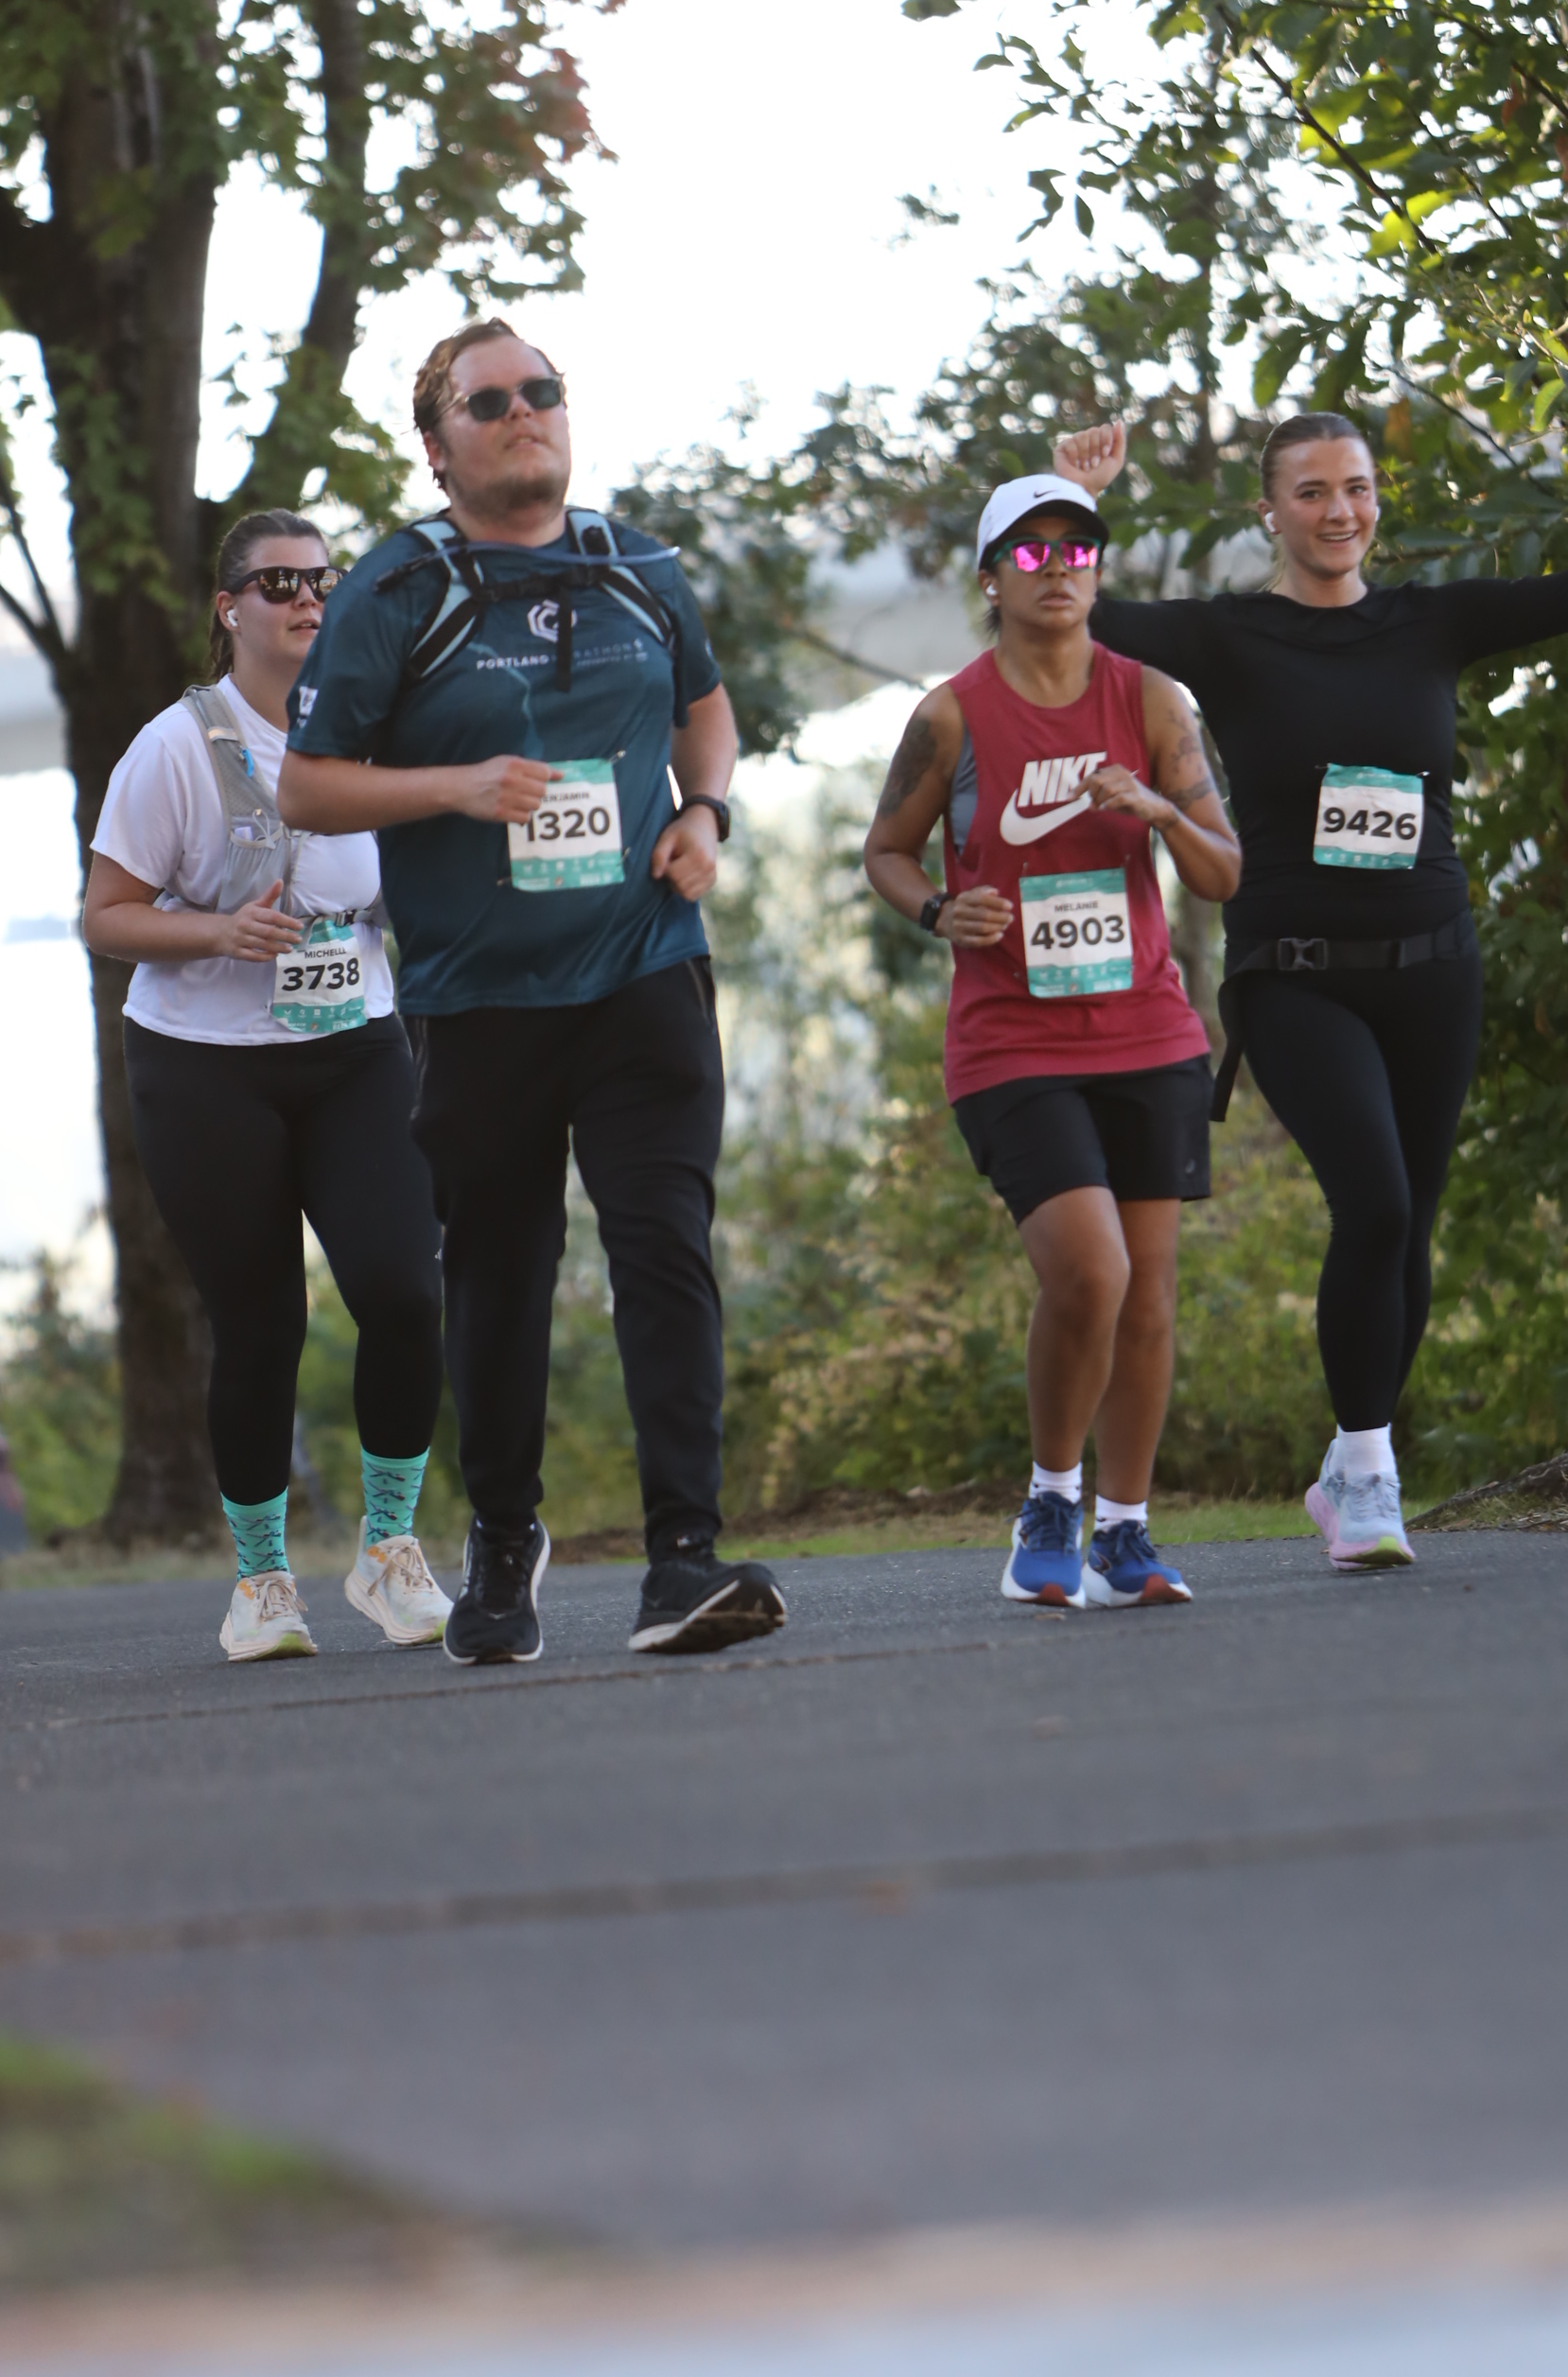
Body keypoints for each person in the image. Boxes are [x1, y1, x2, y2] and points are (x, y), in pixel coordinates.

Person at [1057, 411, 1568, 1570]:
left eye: (1354, 488)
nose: (1338, 511)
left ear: (1375, 501)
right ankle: (1367, 1472)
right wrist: (1080, 503)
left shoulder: (1430, 621)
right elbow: (1086, 612)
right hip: (1295, 975)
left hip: (1432, 968)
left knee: (1410, 1220)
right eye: (1310, 492)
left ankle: (1350, 1465)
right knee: (1374, 1204)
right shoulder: (1229, 637)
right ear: (1270, 512)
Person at [276, 319, 785, 1667]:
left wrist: (706, 814)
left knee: (664, 1249)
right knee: (501, 1277)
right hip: (480, 1001)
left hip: (643, 971)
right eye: (487, 400)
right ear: (437, 445)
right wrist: (453, 787)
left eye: (540, 391)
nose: (522, 412)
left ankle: (683, 1558)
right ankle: (504, 1539)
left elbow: (705, 711)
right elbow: (307, 786)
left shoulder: (637, 565)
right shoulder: (396, 587)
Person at [862, 471, 1241, 1608]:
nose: (1057, 570)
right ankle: (1049, 1498)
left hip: (1147, 1030)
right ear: (990, 579)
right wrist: (938, 909)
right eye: (1029, 553)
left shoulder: (1151, 701)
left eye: (1076, 550)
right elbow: (885, 852)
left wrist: (1160, 812)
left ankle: (1122, 1535)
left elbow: (1222, 875)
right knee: (1090, 1271)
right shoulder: (950, 716)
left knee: (1149, 1295)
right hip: (1011, 1041)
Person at [82, 512, 449, 1662]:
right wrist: (214, 930)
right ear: (229, 608)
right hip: (204, 1067)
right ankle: (261, 1582)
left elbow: (406, 888)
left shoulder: (375, 735)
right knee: (259, 1324)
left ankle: (388, 1550)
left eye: (322, 580)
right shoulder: (173, 748)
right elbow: (105, 918)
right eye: (277, 582)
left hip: (355, 1048)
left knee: (403, 1290)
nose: (306, 599)